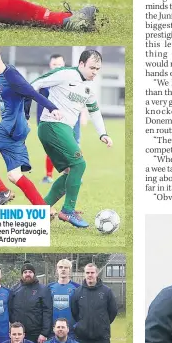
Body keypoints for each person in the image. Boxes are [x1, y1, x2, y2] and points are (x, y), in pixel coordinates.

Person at [0, 46, 61, 206]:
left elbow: (31, 92)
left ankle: (3, 191)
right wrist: (24, 116)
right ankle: (45, 209)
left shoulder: (10, 75)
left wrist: (52, 107)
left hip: (7, 130)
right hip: (15, 132)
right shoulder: (0, 76)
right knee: (14, 175)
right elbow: (25, 95)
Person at [31, 49, 113, 227]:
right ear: (81, 64)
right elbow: (36, 83)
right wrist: (25, 105)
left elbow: (94, 111)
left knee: (70, 173)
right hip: (52, 126)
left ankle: (41, 210)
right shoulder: (65, 74)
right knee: (79, 164)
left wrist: (103, 134)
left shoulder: (89, 88)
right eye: (92, 67)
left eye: (98, 69)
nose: (95, 72)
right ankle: (67, 211)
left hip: (63, 129)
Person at [39, 55, 82, 183]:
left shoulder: (72, 80)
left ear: (64, 65)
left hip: (71, 120)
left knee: (74, 146)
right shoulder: (45, 83)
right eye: (54, 65)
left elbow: (81, 99)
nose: (57, 67)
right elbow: (41, 103)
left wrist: (83, 114)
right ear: (49, 66)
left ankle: (75, 174)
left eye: (59, 65)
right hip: (53, 121)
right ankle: (49, 176)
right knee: (52, 148)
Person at [9, 262, 53, 343]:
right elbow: (10, 309)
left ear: (34, 274)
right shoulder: (14, 289)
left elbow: (47, 312)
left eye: (30, 272)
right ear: (22, 274)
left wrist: (44, 333)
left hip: (36, 335)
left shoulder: (43, 289)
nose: (27, 274)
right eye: (25, 272)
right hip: (19, 334)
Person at [48, 258, 79, 328]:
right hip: (53, 329)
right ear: (57, 270)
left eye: (66, 267)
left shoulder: (77, 287)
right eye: (60, 267)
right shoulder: (49, 287)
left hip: (71, 329)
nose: (63, 269)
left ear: (70, 270)